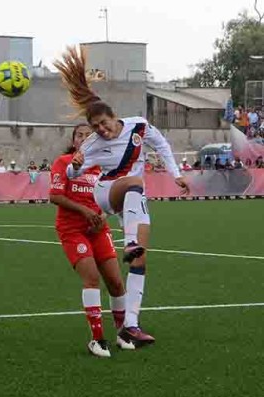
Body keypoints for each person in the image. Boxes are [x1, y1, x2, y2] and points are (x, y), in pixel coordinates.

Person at [55, 46, 190, 347]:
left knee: (140, 259)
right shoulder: (90, 144)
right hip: (106, 192)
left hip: (135, 197)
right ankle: (128, 242)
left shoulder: (138, 126)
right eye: (95, 127)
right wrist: (75, 169)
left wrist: (176, 174)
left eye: (104, 123)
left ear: (115, 117)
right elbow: (73, 175)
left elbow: (162, 145)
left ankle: (130, 325)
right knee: (132, 183)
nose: (101, 130)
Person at [50, 124, 134, 356]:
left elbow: (113, 199)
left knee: (116, 283)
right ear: (74, 140)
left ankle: (122, 333)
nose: (85, 138)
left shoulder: (105, 165)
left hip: (99, 227)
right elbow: (55, 196)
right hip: (72, 229)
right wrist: (85, 212)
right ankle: (97, 339)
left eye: (89, 135)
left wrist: (103, 215)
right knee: (92, 278)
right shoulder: (63, 162)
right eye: (80, 135)